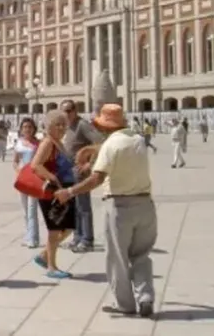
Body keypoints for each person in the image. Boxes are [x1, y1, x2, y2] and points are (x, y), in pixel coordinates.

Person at [55, 104, 156, 319]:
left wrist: (70, 191)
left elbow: (96, 179)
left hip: (119, 207)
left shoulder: (110, 146)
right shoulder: (138, 140)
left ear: (104, 126)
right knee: (141, 255)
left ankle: (125, 304)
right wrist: (92, 150)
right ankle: (145, 296)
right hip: (145, 204)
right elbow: (115, 148)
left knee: (118, 258)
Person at [29, 111, 76, 279]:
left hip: (65, 190)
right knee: (54, 229)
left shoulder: (58, 143)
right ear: (49, 126)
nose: (62, 127)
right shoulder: (48, 143)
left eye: (64, 124)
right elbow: (35, 165)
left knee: (69, 227)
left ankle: (44, 255)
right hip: (52, 191)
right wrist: (53, 178)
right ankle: (51, 266)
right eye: (58, 124)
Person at [61, 99, 103, 253]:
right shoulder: (67, 126)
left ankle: (87, 239)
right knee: (74, 207)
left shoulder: (82, 125)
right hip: (69, 171)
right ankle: (77, 237)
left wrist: (89, 164)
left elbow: (99, 142)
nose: (66, 114)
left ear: (75, 110)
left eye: (69, 110)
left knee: (83, 206)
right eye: (63, 111)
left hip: (80, 171)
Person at [13, 117, 41, 248]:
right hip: (22, 179)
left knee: (32, 209)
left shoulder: (38, 144)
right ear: (21, 129)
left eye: (30, 127)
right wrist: (17, 170)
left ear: (34, 129)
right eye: (25, 127)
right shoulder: (19, 143)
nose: (27, 129)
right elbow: (15, 160)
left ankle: (34, 239)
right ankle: (28, 235)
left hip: (34, 179)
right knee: (25, 209)